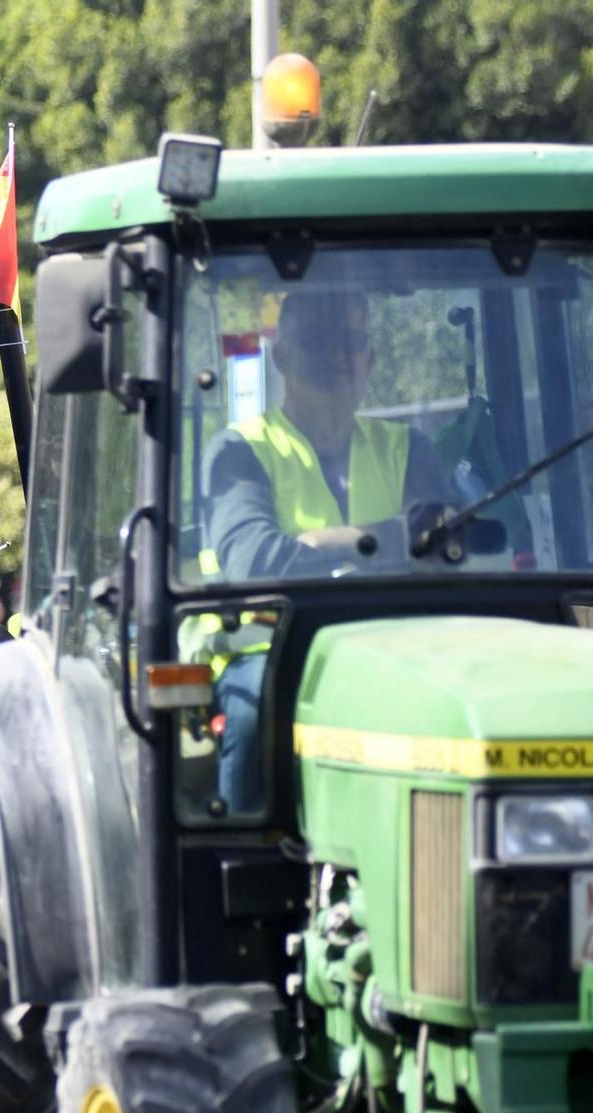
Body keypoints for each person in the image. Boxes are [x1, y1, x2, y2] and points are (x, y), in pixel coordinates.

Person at [200, 289, 454, 813]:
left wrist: (328, 543)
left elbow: (450, 542)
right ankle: (243, 863)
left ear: (370, 360)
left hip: (398, 648)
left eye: (351, 341)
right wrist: (395, 539)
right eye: (318, 340)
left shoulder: (406, 448)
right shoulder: (240, 450)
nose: (337, 356)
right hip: (272, 650)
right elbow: (257, 564)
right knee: (252, 716)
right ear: (283, 357)